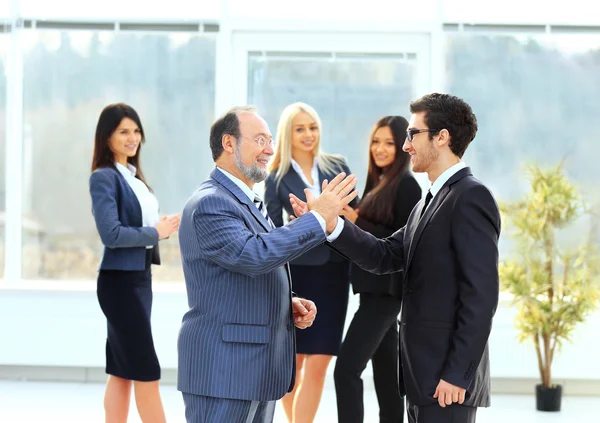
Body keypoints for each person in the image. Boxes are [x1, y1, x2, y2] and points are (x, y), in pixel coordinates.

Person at [290, 93, 501, 423]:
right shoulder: (428, 202)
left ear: (442, 137)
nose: (406, 146)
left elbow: (481, 295)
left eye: (412, 134)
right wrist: (330, 223)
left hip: (448, 382)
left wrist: (458, 374)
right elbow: (384, 255)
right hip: (420, 378)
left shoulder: (470, 197)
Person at [176, 105, 359, 423]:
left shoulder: (245, 200)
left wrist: (284, 302)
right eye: (260, 139)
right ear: (229, 143)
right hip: (226, 370)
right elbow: (255, 255)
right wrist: (318, 218)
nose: (270, 149)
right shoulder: (211, 202)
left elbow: (239, 270)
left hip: (252, 369)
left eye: (270, 140)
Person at [264, 102, 358, 423]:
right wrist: (306, 222)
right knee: (296, 362)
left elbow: (355, 217)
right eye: (300, 128)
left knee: (320, 361)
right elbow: (273, 234)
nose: (308, 134)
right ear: (287, 134)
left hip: (334, 272)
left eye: (313, 127)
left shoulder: (337, 165)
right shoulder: (275, 178)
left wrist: (328, 211)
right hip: (298, 272)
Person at [89, 103, 180, 423]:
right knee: (145, 370)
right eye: (124, 131)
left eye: (136, 131)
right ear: (107, 137)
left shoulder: (133, 177)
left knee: (122, 369)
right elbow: (111, 234)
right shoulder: (103, 178)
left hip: (139, 280)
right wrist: (156, 232)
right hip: (119, 283)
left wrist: (160, 228)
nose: (133, 138)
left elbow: (139, 226)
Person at [334, 116, 422, 423]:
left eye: (388, 143)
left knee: (345, 371)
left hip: (384, 295)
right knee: (386, 379)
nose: (380, 149)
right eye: (375, 141)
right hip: (372, 292)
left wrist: (356, 222)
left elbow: (401, 243)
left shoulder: (407, 186)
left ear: (402, 147)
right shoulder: (377, 183)